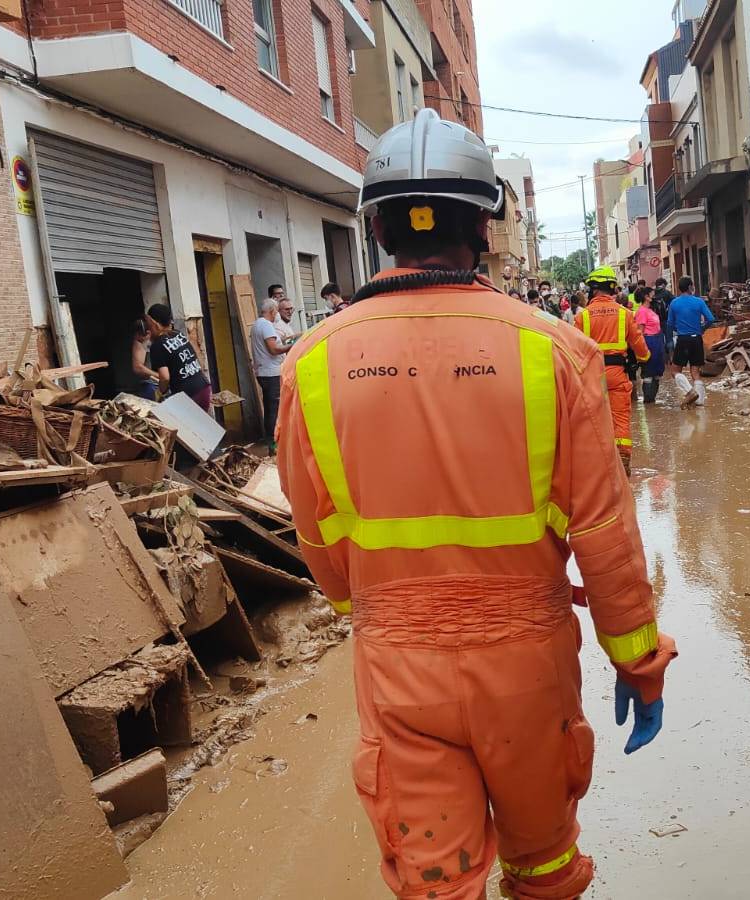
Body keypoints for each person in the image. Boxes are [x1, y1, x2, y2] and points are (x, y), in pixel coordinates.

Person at [276, 108, 675, 900]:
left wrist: (373, 603)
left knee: (437, 883)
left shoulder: (313, 361)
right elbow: (604, 529)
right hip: (528, 667)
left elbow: (315, 529)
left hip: (397, 666)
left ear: (379, 227)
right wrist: (639, 661)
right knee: (547, 869)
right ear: (486, 224)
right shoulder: (554, 351)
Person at [576, 266, 651, 474]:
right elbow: (638, 343)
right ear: (613, 288)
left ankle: (599, 465)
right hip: (618, 372)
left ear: (592, 289)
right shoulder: (625, 314)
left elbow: (573, 348)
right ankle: (623, 459)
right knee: (620, 417)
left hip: (592, 375)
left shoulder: (582, 317)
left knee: (593, 418)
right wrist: (645, 358)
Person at [145, 304, 212, 412]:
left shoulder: (157, 346)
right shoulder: (178, 334)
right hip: (203, 388)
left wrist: (159, 393)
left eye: (149, 325)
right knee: (201, 426)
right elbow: (195, 357)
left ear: (154, 324)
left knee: (184, 427)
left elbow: (165, 377)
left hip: (187, 396)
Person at [666, 275, 715, 407]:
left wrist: (669, 345)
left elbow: (669, 325)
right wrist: (702, 329)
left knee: (675, 371)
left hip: (683, 340)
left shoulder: (674, 303)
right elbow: (710, 319)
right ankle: (699, 402)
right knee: (695, 371)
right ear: (689, 287)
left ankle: (690, 392)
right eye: (692, 285)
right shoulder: (699, 302)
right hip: (697, 339)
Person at [251, 298, 290, 448]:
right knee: (274, 408)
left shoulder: (257, 324)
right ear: (273, 311)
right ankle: (274, 443)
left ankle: (272, 441)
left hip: (263, 372)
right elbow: (273, 349)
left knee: (270, 407)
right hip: (271, 373)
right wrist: (290, 347)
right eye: (277, 311)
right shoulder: (266, 325)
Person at [634, 287, 666, 404]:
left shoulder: (651, 310)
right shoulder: (641, 311)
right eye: (651, 294)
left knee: (657, 373)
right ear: (646, 297)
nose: (654, 296)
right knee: (648, 372)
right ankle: (648, 401)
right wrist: (642, 350)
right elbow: (640, 332)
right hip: (649, 342)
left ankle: (652, 401)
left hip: (657, 342)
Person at [130, 318, 160, 400]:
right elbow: (137, 367)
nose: (137, 338)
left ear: (148, 333)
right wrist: (158, 376)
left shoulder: (158, 339)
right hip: (150, 384)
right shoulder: (139, 342)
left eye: (139, 336)